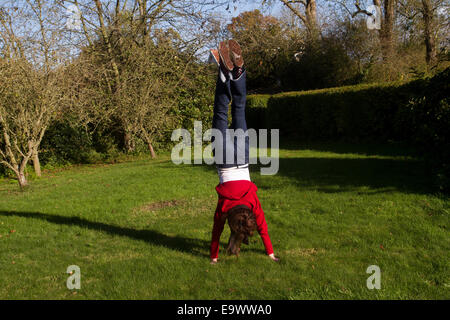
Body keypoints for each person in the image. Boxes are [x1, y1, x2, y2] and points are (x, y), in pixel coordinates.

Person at [208, 40, 279, 264]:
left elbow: (264, 229)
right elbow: (215, 233)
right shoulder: (225, 209)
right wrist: (213, 257)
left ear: (246, 218)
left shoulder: (252, 205)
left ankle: (237, 73)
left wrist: (271, 253)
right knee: (220, 111)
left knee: (239, 107)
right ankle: (223, 73)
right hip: (224, 160)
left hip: (243, 157)